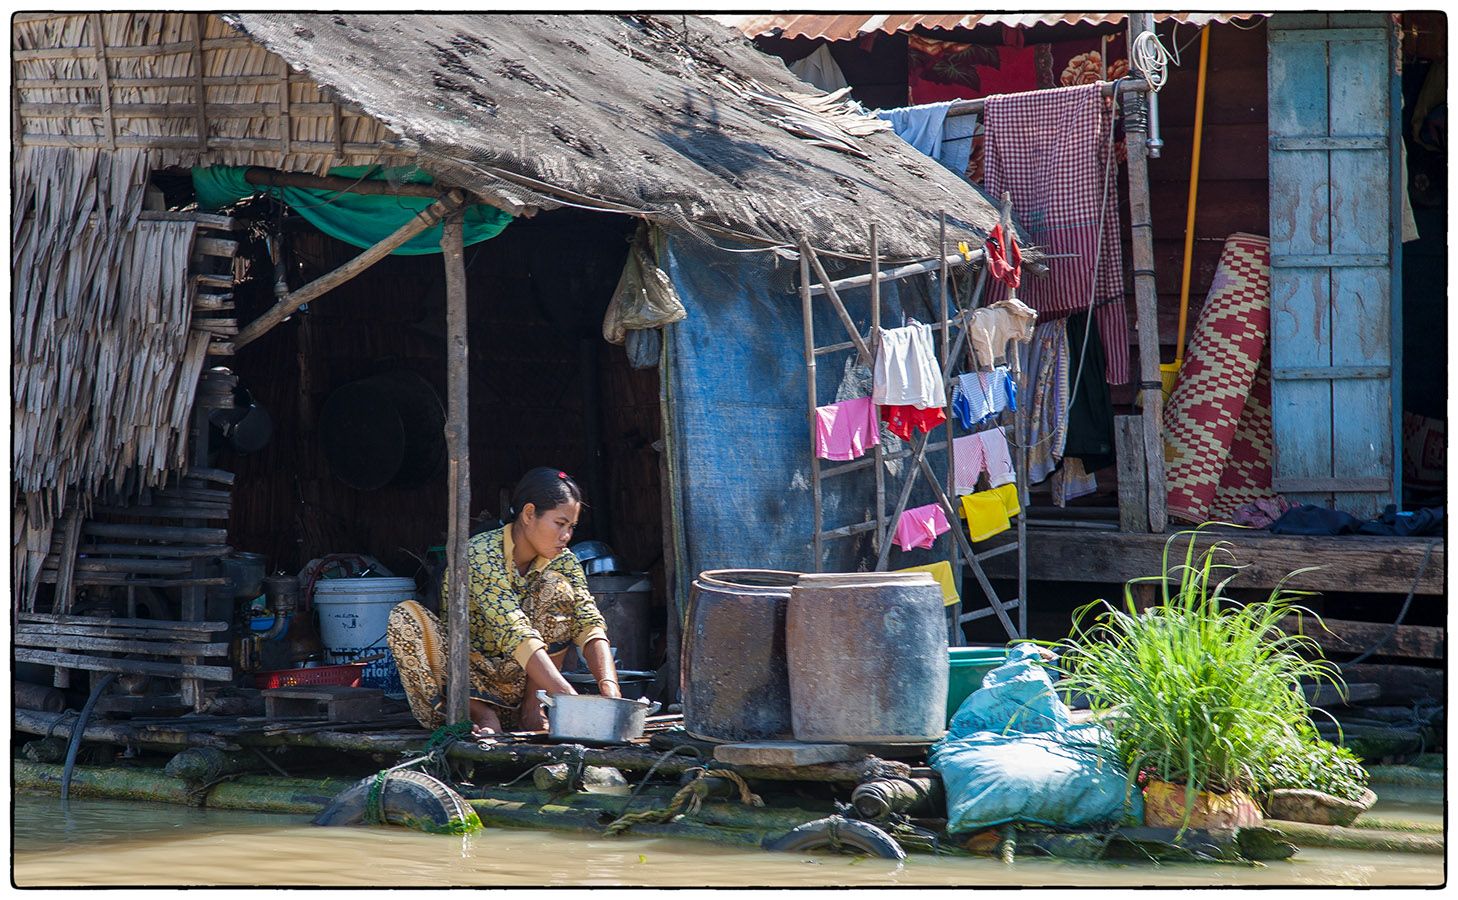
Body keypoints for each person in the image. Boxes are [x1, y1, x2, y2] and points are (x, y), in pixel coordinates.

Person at [387, 467, 619, 737]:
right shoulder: (482, 553)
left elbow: (589, 622)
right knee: (404, 617)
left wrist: (609, 688)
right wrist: (569, 698)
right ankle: (480, 712)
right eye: (559, 524)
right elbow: (514, 630)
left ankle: (532, 711)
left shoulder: (564, 561)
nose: (566, 536)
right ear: (529, 514)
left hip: (517, 689)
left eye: (571, 527)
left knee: (557, 589)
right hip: (459, 688)